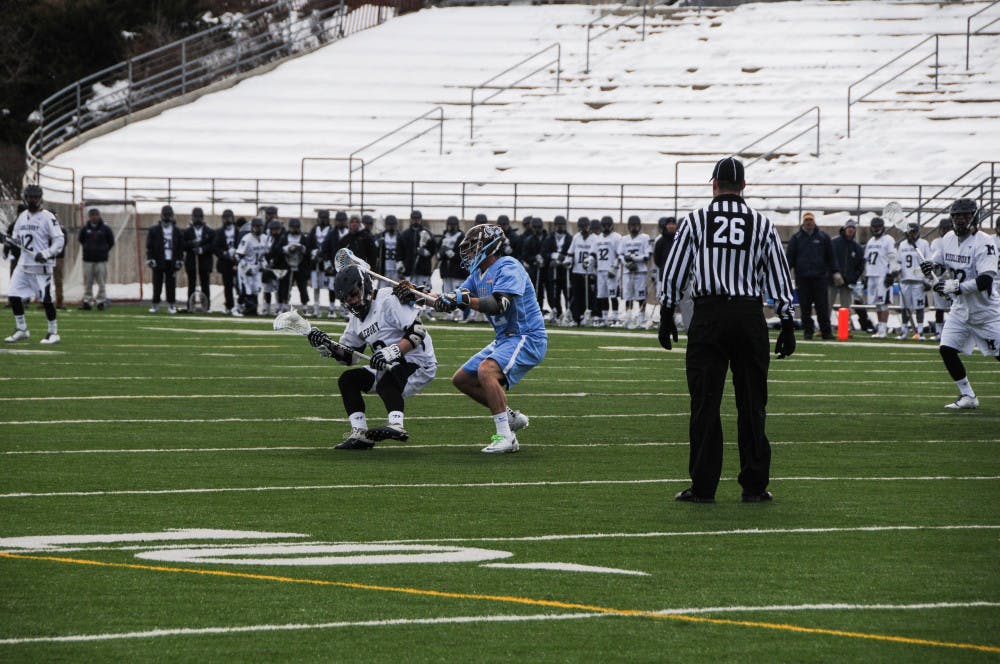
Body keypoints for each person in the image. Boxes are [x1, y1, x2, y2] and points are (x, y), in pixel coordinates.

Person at [659, 157, 795, 503]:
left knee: (705, 402)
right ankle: (754, 485)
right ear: (744, 187)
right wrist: (787, 319)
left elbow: (676, 268)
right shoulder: (762, 224)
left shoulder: (696, 221)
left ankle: (704, 486)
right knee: (752, 403)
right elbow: (778, 274)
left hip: (710, 315)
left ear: (714, 185)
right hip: (748, 315)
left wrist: (665, 310)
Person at [431, 224, 547, 453]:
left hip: (526, 336)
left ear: (489, 246)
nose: (469, 253)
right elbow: (451, 300)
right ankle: (510, 417)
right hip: (505, 338)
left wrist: (460, 300)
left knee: (486, 371)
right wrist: (418, 296)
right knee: (462, 379)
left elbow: (498, 305)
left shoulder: (509, 266)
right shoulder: (477, 275)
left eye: (473, 247)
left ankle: (505, 436)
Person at [306, 264, 438, 449]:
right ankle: (360, 434)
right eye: (345, 298)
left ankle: (397, 425)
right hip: (388, 365)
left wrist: (391, 353)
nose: (351, 301)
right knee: (348, 380)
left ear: (365, 286)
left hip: (418, 361)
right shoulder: (356, 319)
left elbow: (417, 332)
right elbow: (350, 357)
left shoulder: (387, 299)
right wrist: (327, 344)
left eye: (353, 294)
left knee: (387, 379)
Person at [920, 198, 999, 409]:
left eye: (964, 215)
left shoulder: (985, 242)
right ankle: (968, 396)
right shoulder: (947, 238)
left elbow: (985, 280)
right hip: (961, 309)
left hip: (986, 311)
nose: (959, 220)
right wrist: (931, 268)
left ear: (974, 216)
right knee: (946, 348)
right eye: (956, 216)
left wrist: (955, 287)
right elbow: (938, 264)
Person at [3, 184, 65, 344]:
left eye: (35, 197)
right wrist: (7, 241)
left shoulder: (48, 217)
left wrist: (46, 253)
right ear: (26, 198)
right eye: (30, 197)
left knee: (46, 299)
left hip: (41, 267)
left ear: (40, 198)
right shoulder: (22, 216)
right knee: (13, 294)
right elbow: (18, 239)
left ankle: (53, 332)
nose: (33, 200)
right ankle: (22, 329)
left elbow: (59, 240)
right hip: (24, 264)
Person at [785, 211, 840, 340]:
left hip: (820, 278)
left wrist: (835, 271)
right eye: (807, 220)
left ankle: (826, 332)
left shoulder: (823, 237)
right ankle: (808, 332)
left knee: (822, 307)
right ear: (803, 222)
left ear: (814, 221)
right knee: (805, 308)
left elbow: (831, 256)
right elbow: (790, 258)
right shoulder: (796, 238)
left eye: (810, 220)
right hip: (803, 278)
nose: (809, 223)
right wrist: (785, 272)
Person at [829, 219, 869, 333]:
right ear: (845, 229)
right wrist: (834, 272)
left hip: (847, 282)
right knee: (827, 304)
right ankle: (824, 328)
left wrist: (853, 278)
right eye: (849, 228)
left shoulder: (857, 247)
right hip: (833, 279)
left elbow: (860, 265)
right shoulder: (834, 243)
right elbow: (829, 259)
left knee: (845, 307)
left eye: (852, 228)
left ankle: (843, 329)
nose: (850, 230)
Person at [862, 216, 898, 338]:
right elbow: (867, 259)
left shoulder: (888, 240)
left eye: (878, 227)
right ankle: (880, 328)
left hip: (882, 275)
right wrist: (866, 276)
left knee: (883, 303)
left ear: (883, 227)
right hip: (872, 275)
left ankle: (883, 329)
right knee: (877, 303)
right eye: (874, 227)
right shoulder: (871, 241)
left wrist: (892, 273)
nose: (876, 229)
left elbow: (893, 257)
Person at [896, 221, 932, 339]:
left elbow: (928, 261)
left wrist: (927, 280)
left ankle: (920, 331)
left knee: (919, 307)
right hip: (905, 280)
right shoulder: (902, 245)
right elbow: (899, 262)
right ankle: (904, 331)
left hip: (918, 281)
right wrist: (897, 272)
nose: (913, 234)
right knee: (905, 308)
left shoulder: (923, 244)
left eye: (915, 231)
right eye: (911, 232)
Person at [146, 205, 184, 314]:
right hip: (159, 260)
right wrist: (150, 258)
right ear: (161, 215)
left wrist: (180, 260)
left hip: (171, 260)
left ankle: (171, 305)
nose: (167, 217)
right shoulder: (154, 230)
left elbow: (180, 247)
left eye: (169, 215)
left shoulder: (177, 231)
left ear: (172, 216)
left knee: (171, 284)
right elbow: (150, 246)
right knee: (157, 283)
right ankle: (155, 304)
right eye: (165, 215)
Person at [77, 207, 115, 310]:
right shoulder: (85, 228)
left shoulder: (105, 228)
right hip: (88, 259)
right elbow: (81, 240)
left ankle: (100, 301)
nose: (94, 217)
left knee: (101, 281)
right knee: (88, 281)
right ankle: (87, 301)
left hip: (101, 260)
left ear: (99, 215)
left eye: (96, 215)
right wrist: (88, 248)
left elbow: (111, 241)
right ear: (89, 217)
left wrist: (103, 250)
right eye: (92, 215)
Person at [618, 215, 651, 328]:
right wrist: (627, 264)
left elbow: (647, 255)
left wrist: (634, 259)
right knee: (628, 296)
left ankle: (641, 319)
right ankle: (628, 317)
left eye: (636, 225)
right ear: (628, 226)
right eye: (632, 225)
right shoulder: (624, 239)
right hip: (628, 271)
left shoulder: (645, 238)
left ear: (640, 226)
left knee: (641, 296)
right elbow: (620, 255)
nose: (634, 228)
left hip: (640, 271)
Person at [566, 216, 597, 326]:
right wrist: (568, 260)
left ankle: (588, 315)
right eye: (581, 227)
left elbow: (594, 253)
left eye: (585, 226)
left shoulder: (594, 238)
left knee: (588, 296)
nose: (583, 229)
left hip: (588, 272)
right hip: (577, 271)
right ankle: (576, 317)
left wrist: (590, 260)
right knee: (577, 295)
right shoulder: (576, 237)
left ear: (589, 227)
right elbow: (571, 252)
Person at [437, 216, 469, 320]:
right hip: (446, 270)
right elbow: (438, 252)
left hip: (458, 270)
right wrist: (441, 252)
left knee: (458, 293)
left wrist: (450, 253)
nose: (451, 227)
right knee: (447, 292)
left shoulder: (462, 236)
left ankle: (459, 314)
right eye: (450, 225)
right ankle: (449, 313)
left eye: (453, 225)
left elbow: (463, 254)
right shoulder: (444, 236)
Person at [541, 215, 572, 323]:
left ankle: (568, 313)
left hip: (565, 270)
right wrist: (552, 257)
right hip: (553, 271)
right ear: (555, 226)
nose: (560, 227)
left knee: (567, 292)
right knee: (553, 293)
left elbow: (571, 253)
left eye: (562, 225)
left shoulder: (569, 238)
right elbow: (544, 253)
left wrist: (563, 260)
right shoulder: (549, 238)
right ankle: (557, 312)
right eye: (558, 224)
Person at [183, 207, 214, 310]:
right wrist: (192, 244)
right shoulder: (187, 231)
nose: (197, 219)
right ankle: (190, 305)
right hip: (192, 262)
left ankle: (206, 306)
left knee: (205, 284)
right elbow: (182, 245)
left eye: (199, 217)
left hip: (204, 262)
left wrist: (202, 249)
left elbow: (212, 245)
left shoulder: (209, 231)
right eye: (195, 217)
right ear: (192, 217)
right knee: (191, 284)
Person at [235, 217, 268, 316]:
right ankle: (237, 308)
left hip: (257, 268)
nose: (258, 229)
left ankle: (252, 310)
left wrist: (264, 264)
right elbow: (238, 255)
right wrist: (246, 268)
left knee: (256, 289)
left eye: (260, 226)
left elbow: (264, 255)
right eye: (256, 226)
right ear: (252, 227)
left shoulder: (265, 238)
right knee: (246, 289)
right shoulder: (247, 238)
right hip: (246, 267)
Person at [928, 216, 954, 339]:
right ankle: (939, 332)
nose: (944, 231)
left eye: (947, 228)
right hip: (939, 279)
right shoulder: (935, 242)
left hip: (952, 280)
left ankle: (952, 333)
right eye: (942, 228)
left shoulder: (955, 241)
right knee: (939, 308)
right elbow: (934, 261)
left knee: (954, 308)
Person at [397, 210, 436, 291]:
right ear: (410, 219)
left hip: (423, 270)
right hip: (408, 270)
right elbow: (400, 251)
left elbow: (433, 248)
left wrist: (426, 252)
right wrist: (400, 263)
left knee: (424, 293)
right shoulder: (405, 234)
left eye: (417, 219)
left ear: (420, 219)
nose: (416, 221)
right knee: (408, 292)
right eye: (414, 219)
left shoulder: (427, 233)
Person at [593, 216, 621, 327]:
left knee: (613, 295)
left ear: (612, 225)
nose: (606, 227)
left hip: (611, 271)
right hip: (600, 270)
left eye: (608, 225)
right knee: (602, 295)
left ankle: (615, 317)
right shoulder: (598, 238)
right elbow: (593, 253)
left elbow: (620, 254)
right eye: (604, 225)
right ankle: (604, 317)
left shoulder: (616, 237)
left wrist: (614, 267)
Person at [518, 217, 548, 315]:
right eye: (535, 227)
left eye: (538, 227)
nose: (537, 229)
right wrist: (534, 259)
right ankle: (535, 310)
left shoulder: (547, 237)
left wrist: (544, 258)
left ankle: (548, 310)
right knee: (536, 290)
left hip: (547, 269)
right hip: (534, 269)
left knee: (549, 291)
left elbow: (550, 251)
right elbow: (525, 255)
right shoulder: (528, 240)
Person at [308, 210, 335, 317]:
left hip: (327, 262)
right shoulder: (314, 230)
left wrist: (325, 256)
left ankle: (331, 309)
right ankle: (316, 308)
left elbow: (332, 246)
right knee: (316, 286)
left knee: (330, 286)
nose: (323, 219)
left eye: (325, 217)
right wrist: (313, 252)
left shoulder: (331, 230)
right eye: (321, 217)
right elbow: (309, 243)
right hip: (316, 263)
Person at [213, 209, 239, 315]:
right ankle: (229, 306)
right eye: (225, 218)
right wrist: (224, 253)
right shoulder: (219, 232)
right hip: (225, 262)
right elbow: (215, 247)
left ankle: (240, 305)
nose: (227, 220)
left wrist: (237, 253)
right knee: (227, 285)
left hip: (237, 261)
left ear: (232, 218)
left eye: (229, 217)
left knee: (239, 285)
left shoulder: (238, 231)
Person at [377, 214, 402, 281]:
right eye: (389, 224)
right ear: (386, 225)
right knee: (383, 288)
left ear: (396, 225)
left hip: (396, 268)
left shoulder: (400, 237)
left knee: (395, 288)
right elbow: (375, 250)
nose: (391, 226)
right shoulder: (381, 236)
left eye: (393, 224)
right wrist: (378, 244)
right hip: (384, 268)